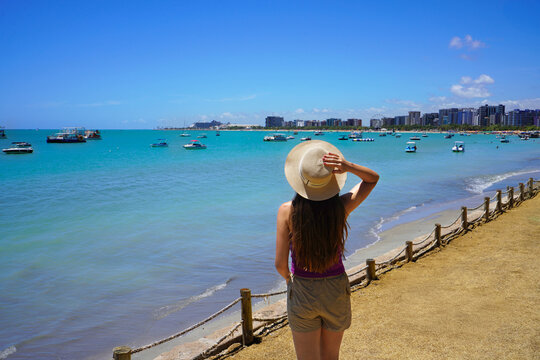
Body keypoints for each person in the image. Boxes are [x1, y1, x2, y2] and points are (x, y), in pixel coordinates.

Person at [275, 140, 379, 360]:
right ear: (332, 178)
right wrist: (348, 166)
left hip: (302, 287)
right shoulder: (340, 207)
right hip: (335, 287)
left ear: (300, 179)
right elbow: (372, 179)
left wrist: (290, 281)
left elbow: (280, 264)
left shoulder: (287, 212)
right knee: (331, 356)